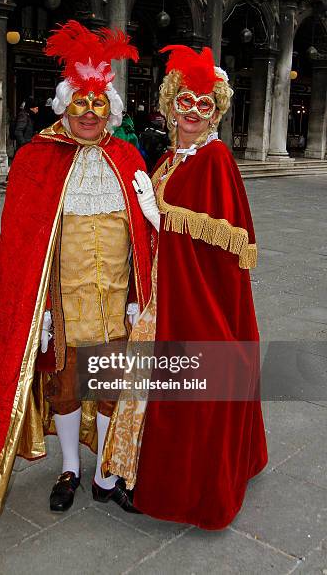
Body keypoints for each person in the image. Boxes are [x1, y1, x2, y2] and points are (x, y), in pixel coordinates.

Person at [0, 20, 152, 518]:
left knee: (113, 386)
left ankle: (104, 475)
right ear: (64, 105)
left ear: (112, 111)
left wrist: (142, 291)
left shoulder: (129, 157)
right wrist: (40, 313)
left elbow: (147, 237)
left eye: (99, 105)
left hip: (118, 301)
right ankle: (71, 468)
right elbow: (23, 246)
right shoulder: (37, 159)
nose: (90, 114)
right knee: (65, 386)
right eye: (80, 103)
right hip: (62, 301)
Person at [105, 44, 268, 529]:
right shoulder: (176, 155)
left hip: (195, 300)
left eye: (204, 105)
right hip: (164, 288)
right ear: (170, 103)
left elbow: (223, 240)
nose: (193, 113)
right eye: (185, 102)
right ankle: (135, 469)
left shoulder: (215, 158)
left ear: (215, 111)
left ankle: (180, 487)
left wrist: (163, 217)